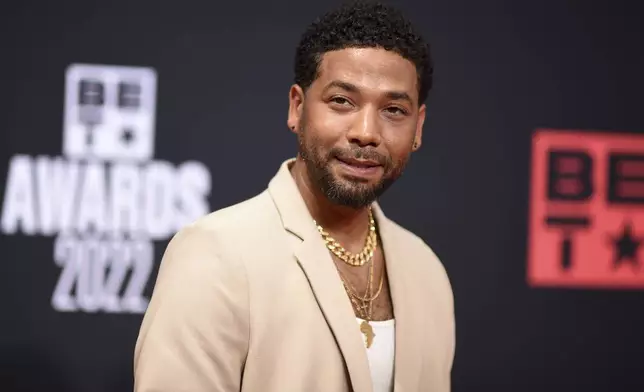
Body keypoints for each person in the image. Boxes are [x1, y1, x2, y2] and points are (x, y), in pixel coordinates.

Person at [133, 1, 455, 391]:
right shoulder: (216, 254)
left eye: (392, 110)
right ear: (297, 107)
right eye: (342, 101)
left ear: (418, 127)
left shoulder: (426, 271)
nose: (366, 131)